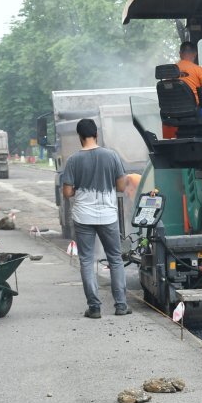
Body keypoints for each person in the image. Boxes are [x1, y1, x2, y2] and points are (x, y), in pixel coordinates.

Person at [62, 119, 131, 318]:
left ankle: (94, 308)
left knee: (86, 261)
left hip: (83, 216)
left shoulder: (74, 160)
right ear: (96, 135)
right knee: (115, 259)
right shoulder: (111, 156)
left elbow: (67, 192)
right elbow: (120, 186)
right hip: (108, 216)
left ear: (80, 137)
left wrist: (78, 188)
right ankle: (120, 305)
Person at [177, 41, 202, 119]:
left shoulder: (170, 71)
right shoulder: (199, 70)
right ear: (195, 54)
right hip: (195, 110)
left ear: (180, 53)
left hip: (175, 112)